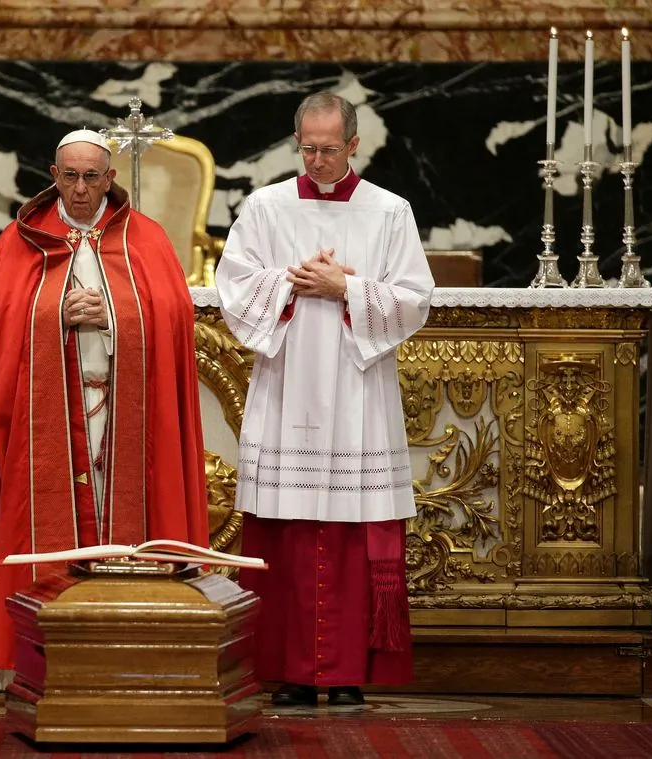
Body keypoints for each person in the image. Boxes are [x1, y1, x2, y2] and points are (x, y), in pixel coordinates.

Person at [0, 129, 208, 674]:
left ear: (111, 179)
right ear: (53, 176)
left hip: (125, 426)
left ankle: (132, 660)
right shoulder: (20, 240)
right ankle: (38, 666)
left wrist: (116, 318)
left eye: (92, 177)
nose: (80, 189)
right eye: (70, 176)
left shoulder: (145, 238)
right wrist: (52, 313)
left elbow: (173, 318)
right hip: (44, 428)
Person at [215, 93, 434, 707]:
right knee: (283, 531)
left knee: (350, 533)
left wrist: (348, 287)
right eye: (306, 146)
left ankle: (344, 674)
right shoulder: (265, 206)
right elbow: (233, 285)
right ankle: (285, 670)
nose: (315, 159)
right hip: (287, 389)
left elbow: (415, 298)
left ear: (354, 145)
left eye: (329, 148)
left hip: (357, 393)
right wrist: (288, 283)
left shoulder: (389, 212)